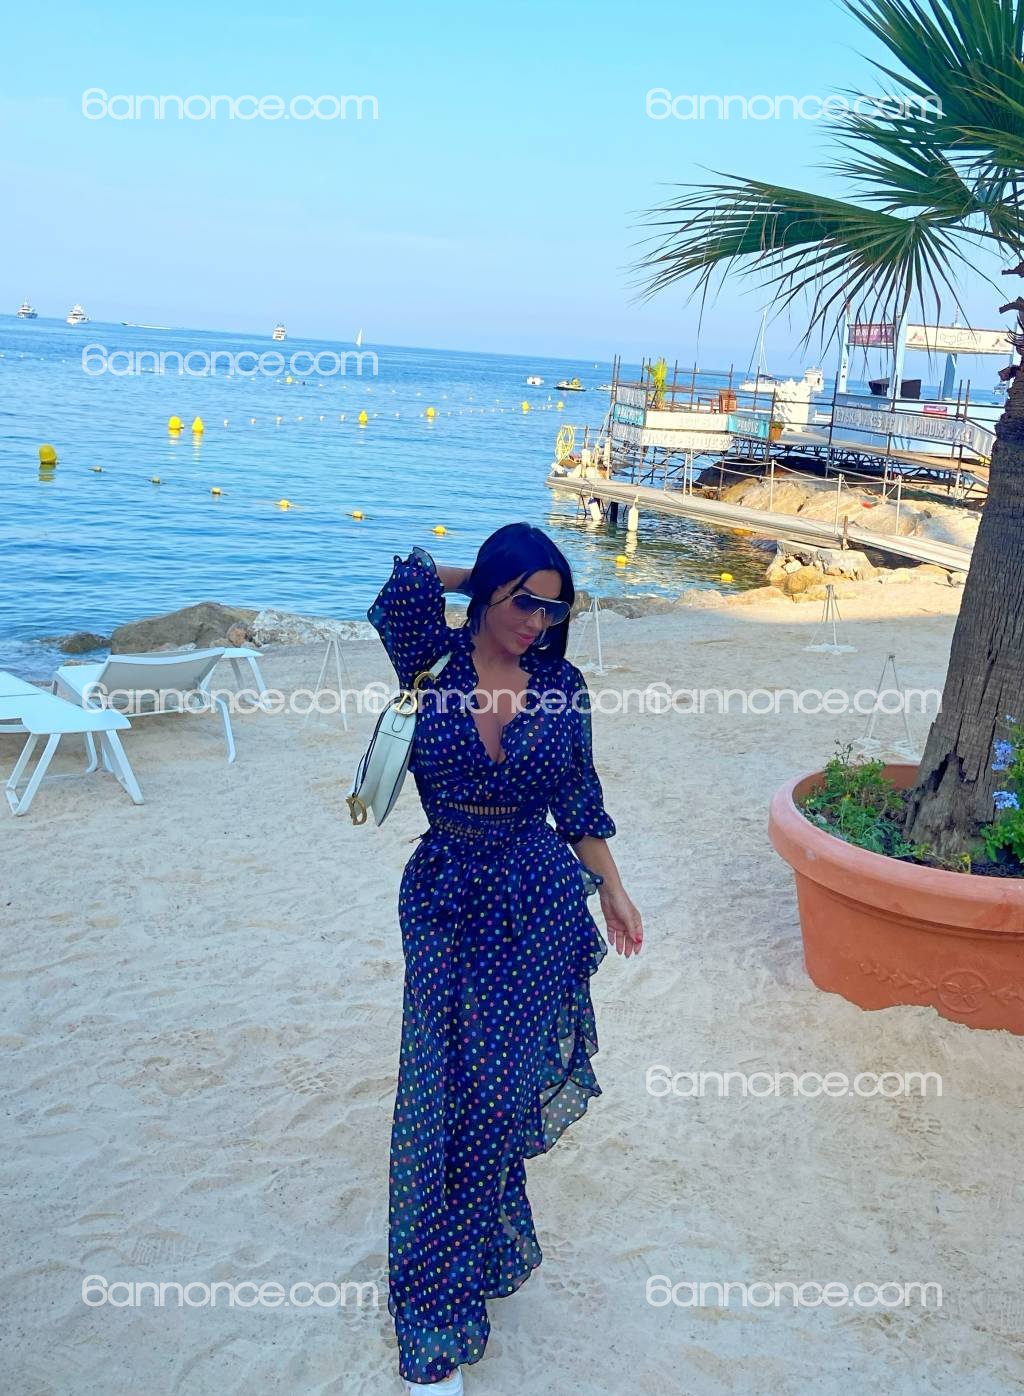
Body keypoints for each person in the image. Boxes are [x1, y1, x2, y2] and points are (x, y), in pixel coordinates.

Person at [366, 521, 644, 1393]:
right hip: (445, 900)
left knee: (491, 1099)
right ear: (486, 592)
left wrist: (614, 890)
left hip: (536, 903)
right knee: (437, 1092)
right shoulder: (430, 660)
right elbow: (404, 582)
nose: (536, 623)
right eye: (524, 602)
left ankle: (457, 1284)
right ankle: (437, 1297)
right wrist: (485, 572)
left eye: (553, 610)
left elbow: (580, 803)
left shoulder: (562, 687)